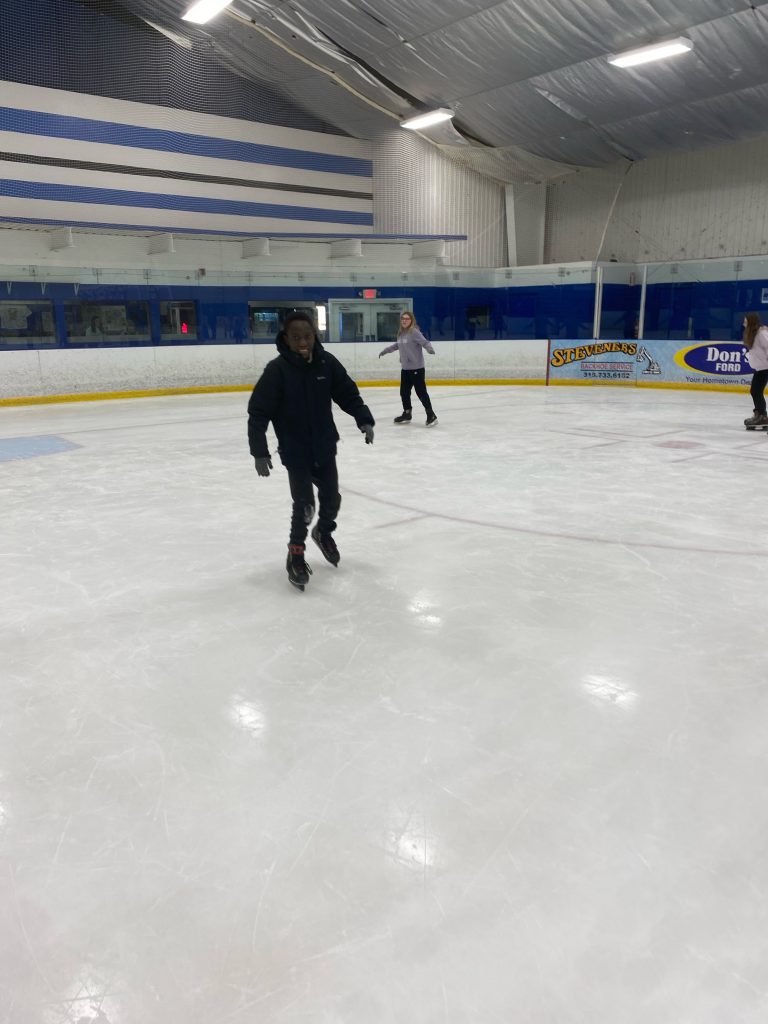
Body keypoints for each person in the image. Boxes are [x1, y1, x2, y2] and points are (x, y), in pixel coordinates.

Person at [247, 311, 375, 590]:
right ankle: (295, 555)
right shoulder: (277, 370)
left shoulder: (326, 363)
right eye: (296, 337)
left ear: (315, 336)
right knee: (305, 506)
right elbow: (258, 413)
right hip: (296, 452)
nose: (302, 341)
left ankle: (323, 532)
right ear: (286, 339)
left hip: (324, 446)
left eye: (307, 336)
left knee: (332, 500)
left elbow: (347, 392)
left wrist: (363, 418)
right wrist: (260, 451)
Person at [378, 311, 437, 426]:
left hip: (416, 369)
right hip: (405, 369)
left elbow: (425, 342)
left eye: (407, 319)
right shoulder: (401, 333)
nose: (404, 320)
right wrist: (385, 351)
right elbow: (397, 345)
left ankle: (431, 415)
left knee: (421, 392)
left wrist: (430, 349)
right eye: (402, 319)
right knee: (404, 392)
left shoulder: (414, 332)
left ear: (411, 320)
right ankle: (407, 413)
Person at [742, 312, 768, 427]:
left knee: (756, 391)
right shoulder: (753, 333)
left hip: (765, 367)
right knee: (755, 391)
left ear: (751, 321)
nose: (744, 322)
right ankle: (760, 414)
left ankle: (762, 416)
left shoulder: (761, 333)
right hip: (760, 367)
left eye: (745, 320)